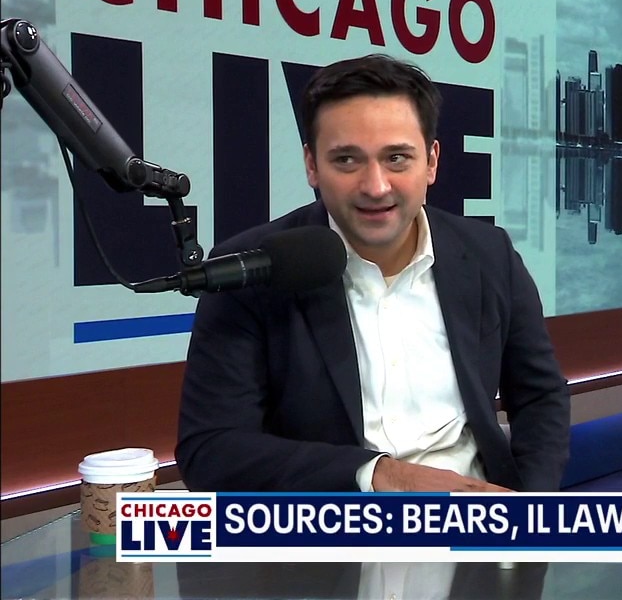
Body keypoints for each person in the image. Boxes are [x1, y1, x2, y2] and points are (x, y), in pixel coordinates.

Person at [176, 54, 570, 493]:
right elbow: (211, 450)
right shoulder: (252, 269)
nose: (376, 186)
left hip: (480, 520)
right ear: (312, 165)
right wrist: (380, 474)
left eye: (397, 158)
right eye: (347, 160)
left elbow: (541, 396)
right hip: (333, 526)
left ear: (431, 161)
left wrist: (532, 511)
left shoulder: (488, 253)